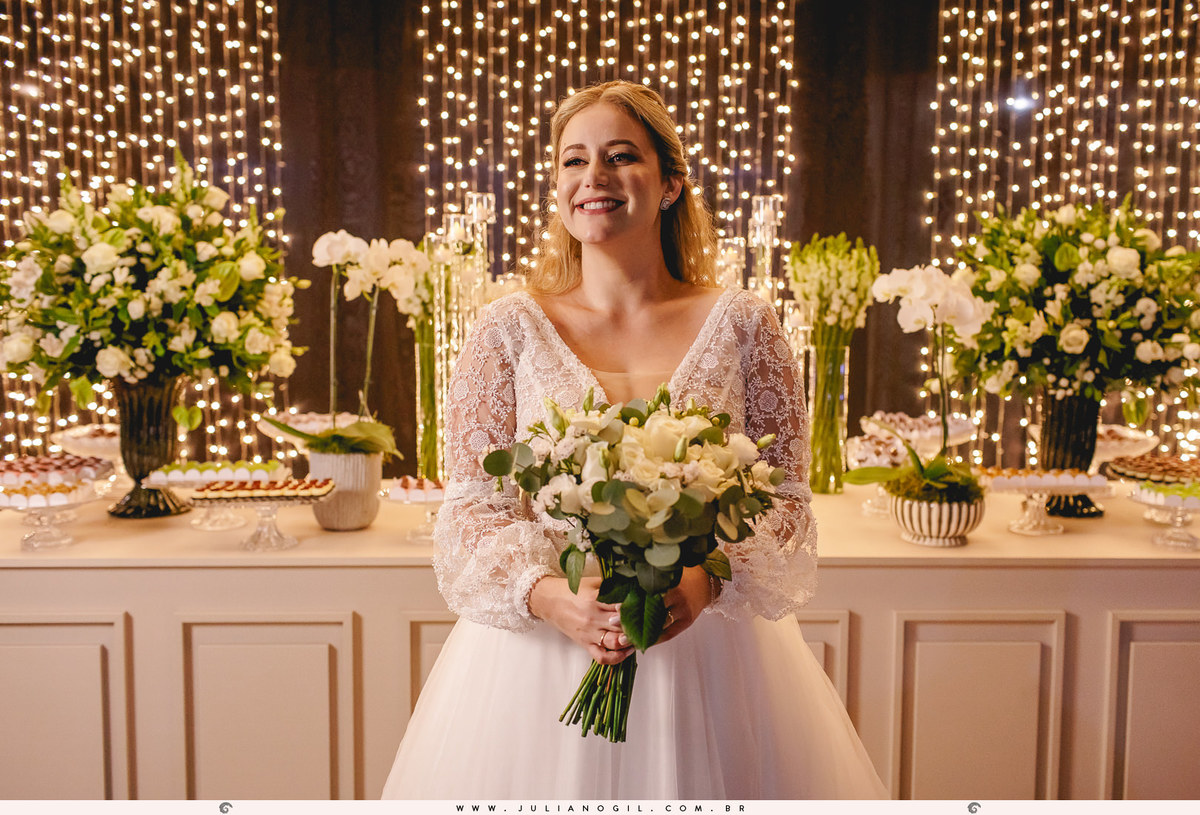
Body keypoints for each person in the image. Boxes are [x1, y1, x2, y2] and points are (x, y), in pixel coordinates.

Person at [382, 80, 887, 799]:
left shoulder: (746, 324)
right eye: (573, 161)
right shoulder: (506, 330)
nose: (594, 178)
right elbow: (467, 514)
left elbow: (786, 505)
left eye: (621, 156)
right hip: (539, 666)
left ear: (672, 181)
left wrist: (703, 580)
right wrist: (552, 598)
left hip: (710, 664)